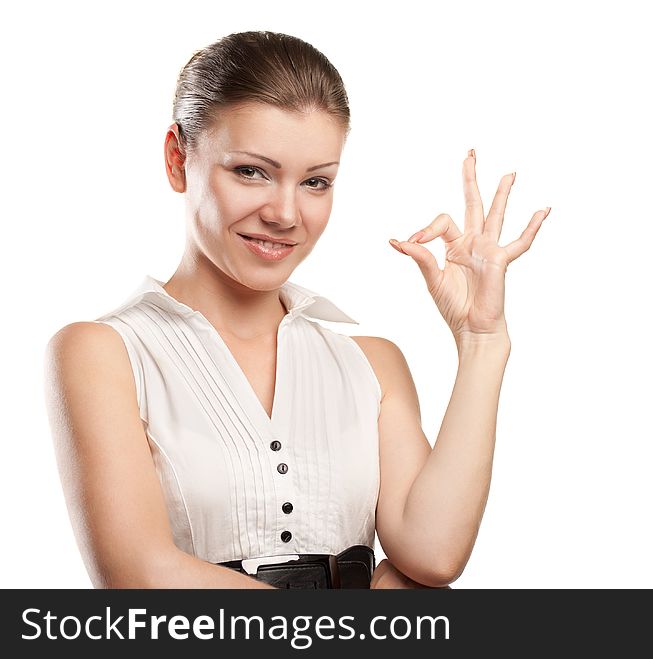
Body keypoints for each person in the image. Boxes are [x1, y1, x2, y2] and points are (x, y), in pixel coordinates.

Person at [43, 30, 550, 589]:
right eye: (251, 171)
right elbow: (139, 576)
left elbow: (433, 553)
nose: (285, 213)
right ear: (177, 159)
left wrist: (482, 341)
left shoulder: (371, 364)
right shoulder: (104, 353)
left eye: (315, 182)